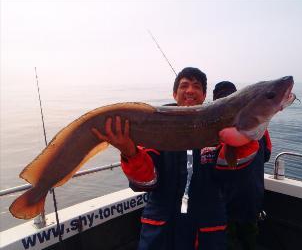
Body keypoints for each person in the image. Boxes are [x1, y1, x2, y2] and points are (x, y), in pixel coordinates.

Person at [92, 67, 229, 250]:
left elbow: (233, 179)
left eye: (196, 86)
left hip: (205, 232)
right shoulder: (154, 127)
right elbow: (146, 182)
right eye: (184, 85)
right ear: (174, 94)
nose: (190, 90)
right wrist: (130, 153)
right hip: (161, 233)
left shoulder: (219, 131)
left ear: (204, 95)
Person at [213, 81, 272, 250]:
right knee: (250, 241)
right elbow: (267, 154)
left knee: (228, 243)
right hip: (252, 199)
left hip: (225, 203)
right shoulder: (260, 128)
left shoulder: (216, 128)